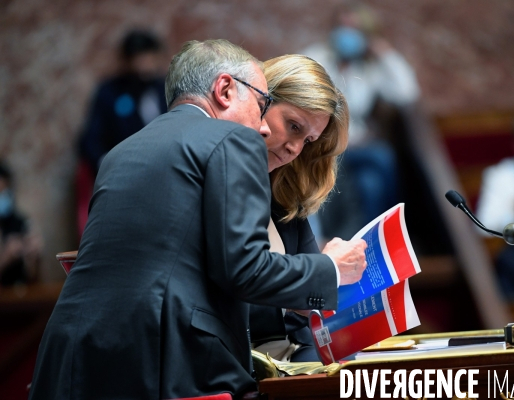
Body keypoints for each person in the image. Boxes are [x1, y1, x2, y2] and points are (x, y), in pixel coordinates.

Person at [28, 40, 367, 400]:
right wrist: (329, 268)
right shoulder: (234, 139)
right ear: (224, 90)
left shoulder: (121, 152)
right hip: (166, 362)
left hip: (72, 358)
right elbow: (244, 270)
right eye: (261, 105)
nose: (263, 128)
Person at [248, 54, 349, 362]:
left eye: (307, 140)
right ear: (260, 101)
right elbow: (236, 281)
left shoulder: (285, 196)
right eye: (292, 126)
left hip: (295, 359)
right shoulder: (209, 182)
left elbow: (313, 303)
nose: (294, 148)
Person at [304, 1, 420, 232]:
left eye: (355, 29)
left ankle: (372, 241)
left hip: (356, 149)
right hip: (324, 145)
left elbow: (407, 93)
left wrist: (384, 52)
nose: (347, 34)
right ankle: (397, 226)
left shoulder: (369, 68)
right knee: (383, 157)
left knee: (371, 185)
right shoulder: (318, 58)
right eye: (343, 27)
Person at [78, 29, 167, 175]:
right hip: (123, 172)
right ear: (127, 60)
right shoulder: (110, 92)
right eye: (139, 58)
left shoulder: (166, 89)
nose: (145, 64)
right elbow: (91, 140)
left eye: (149, 57)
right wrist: (109, 166)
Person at [0, 161, 43, 286]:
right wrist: (6, 258)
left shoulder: (22, 223)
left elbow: (34, 279)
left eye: (3, 191)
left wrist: (33, 259)